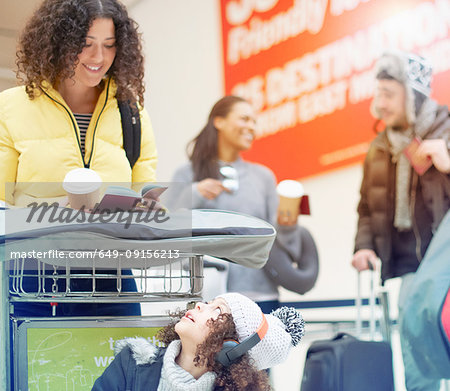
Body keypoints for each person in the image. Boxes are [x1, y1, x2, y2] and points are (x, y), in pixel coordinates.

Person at [0, 0, 158, 316]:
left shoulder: (131, 112)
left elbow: (148, 196)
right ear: (58, 42)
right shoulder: (11, 107)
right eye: (85, 44)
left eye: (109, 45)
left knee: (122, 361)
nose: (98, 58)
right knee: (37, 363)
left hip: (111, 272)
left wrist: (143, 210)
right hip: (32, 274)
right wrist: (52, 213)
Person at [351, 50, 450, 391]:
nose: (381, 102)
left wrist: (448, 161)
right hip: (407, 264)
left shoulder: (446, 129)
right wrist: (363, 246)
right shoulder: (379, 147)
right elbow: (367, 207)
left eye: (389, 93)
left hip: (445, 262)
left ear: (414, 95)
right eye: (378, 93)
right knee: (415, 346)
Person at [168, 96, 280, 312]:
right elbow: (168, 226)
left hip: (260, 294)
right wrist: (195, 193)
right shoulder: (186, 174)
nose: (251, 127)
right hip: (206, 298)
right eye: (244, 119)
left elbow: (274, 234)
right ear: (219, 121)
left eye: (254, 122)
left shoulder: (263, 177)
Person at [91, 292, 305, 391]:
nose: (201, 305)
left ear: (231, 347)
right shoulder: (131, 362)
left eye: (218, 310)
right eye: (209, 302)